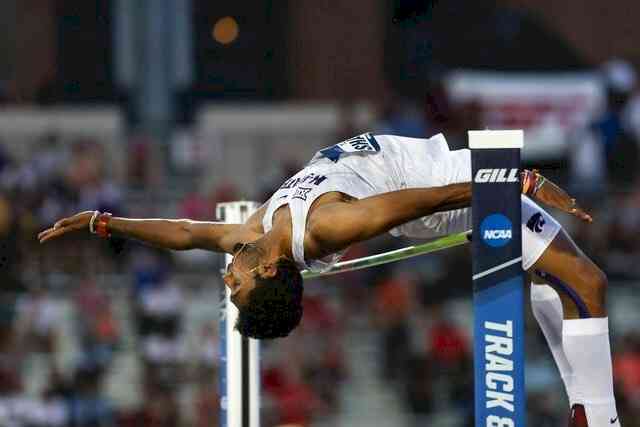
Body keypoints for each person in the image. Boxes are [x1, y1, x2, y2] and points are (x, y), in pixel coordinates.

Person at [39, 132, 617, 426]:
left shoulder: (252, 233)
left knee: (554, 276)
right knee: (587, 285)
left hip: (442, 176)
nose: (227, 280)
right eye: (236, 286)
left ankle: (580, 407)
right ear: (268, 270)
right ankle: (597, 417)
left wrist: (103, 221)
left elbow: (184, 232)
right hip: (450, 192)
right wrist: (510, 180)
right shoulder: (323, 228)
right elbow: (410, 205)